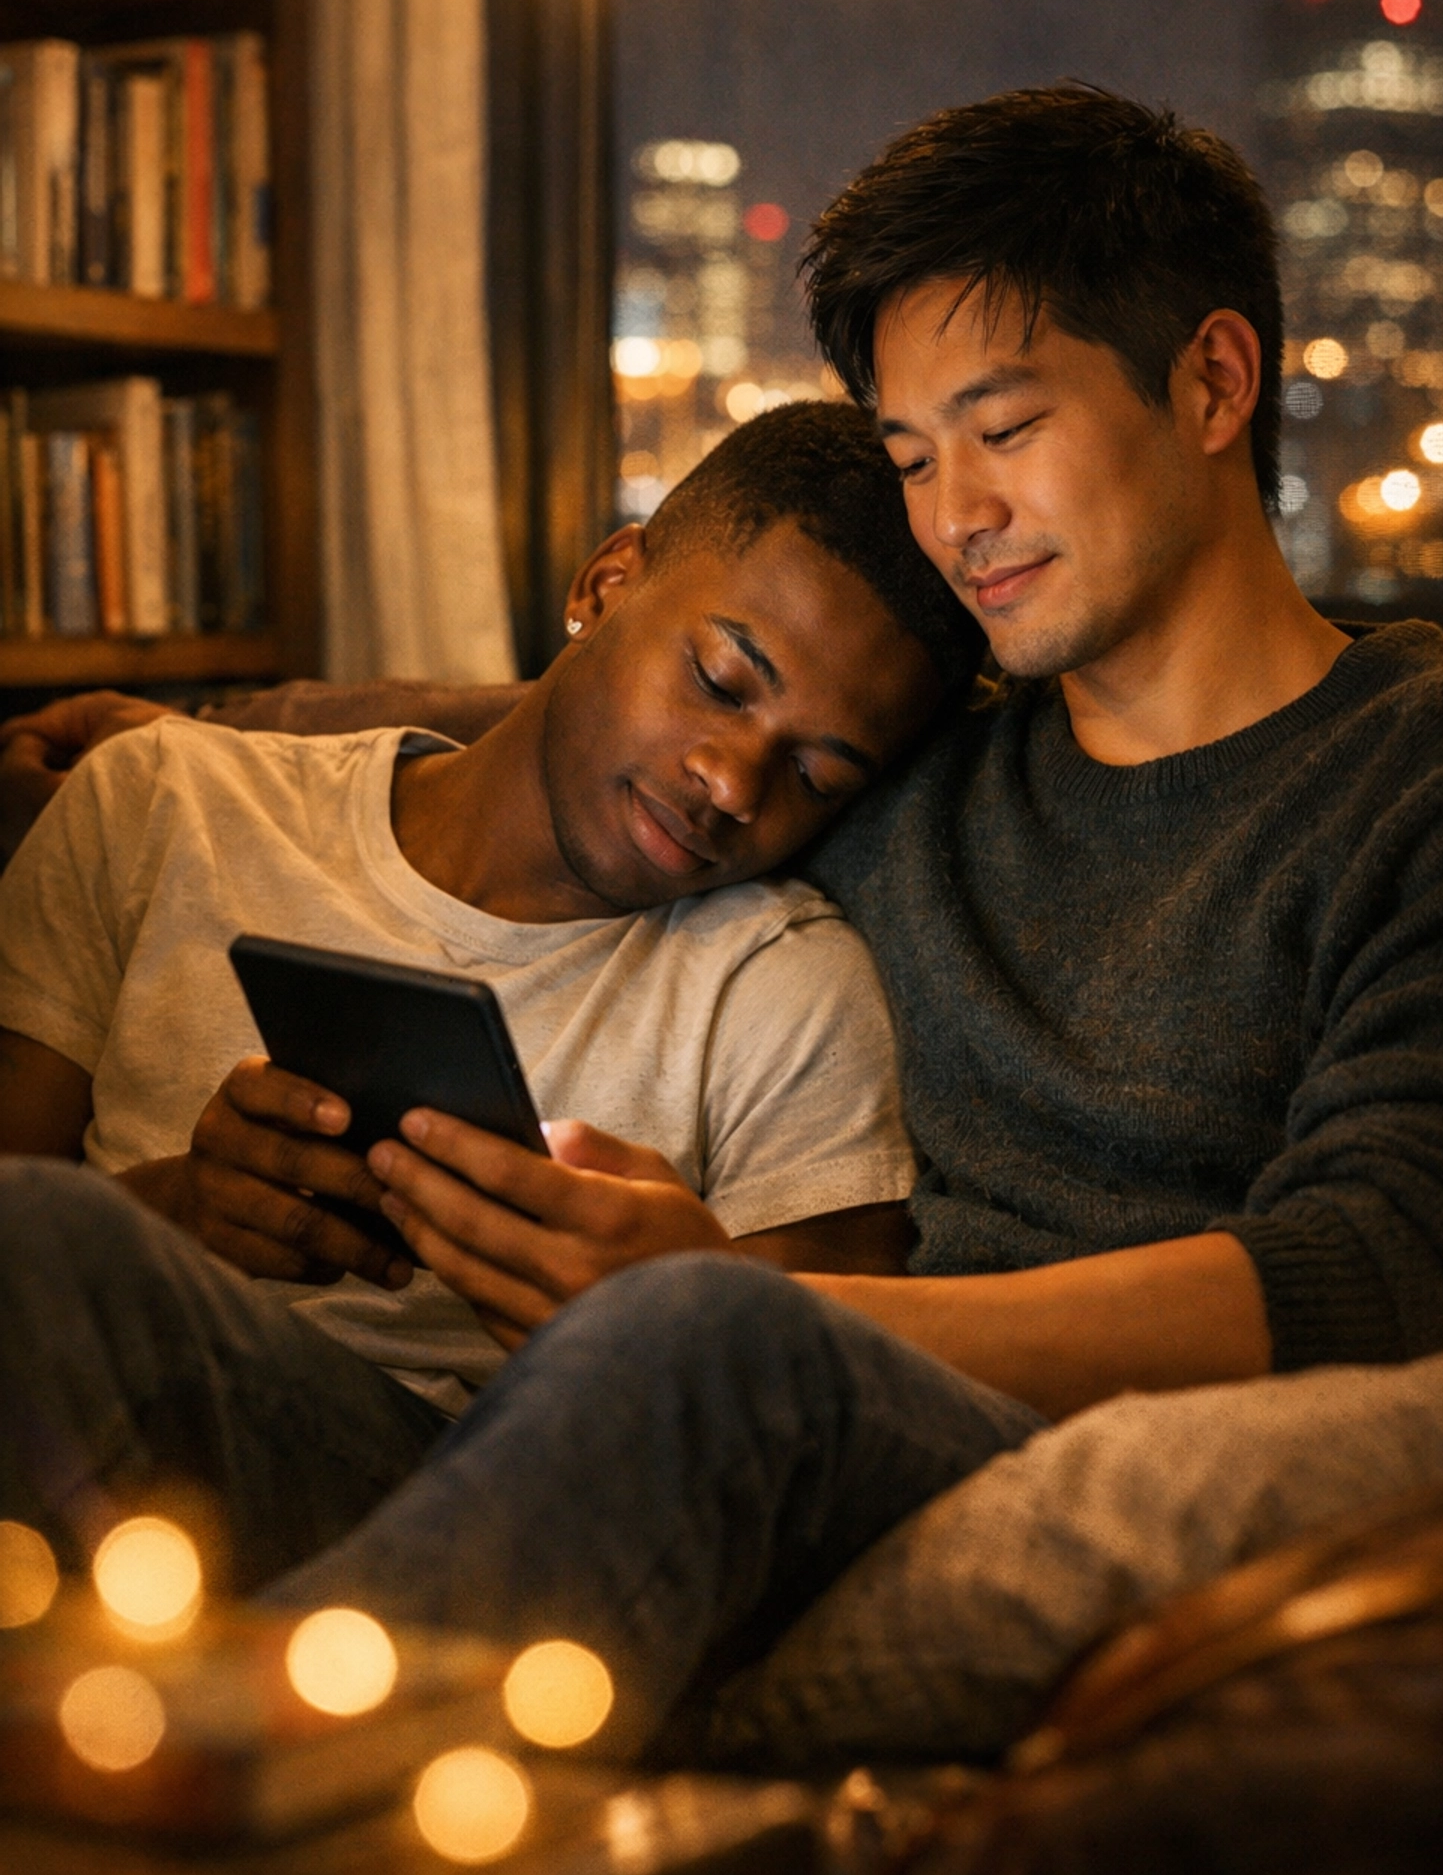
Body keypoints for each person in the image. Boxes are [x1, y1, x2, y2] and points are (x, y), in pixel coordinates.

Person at [2, 86, 1443, 1763]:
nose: (955, 515)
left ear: (1213, 382)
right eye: (911, 453)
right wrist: (210, 738)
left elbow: (1397, 1263)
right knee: (51, 1241)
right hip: (717, 1446)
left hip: (983, 1439)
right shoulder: (915, 766)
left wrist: (768, 1308)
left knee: (694, 1329)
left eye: (1003, 429)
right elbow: (634, 725)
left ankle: (217, 1793)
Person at [0, 402, 979, 1431]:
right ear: (606, 585)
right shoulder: (160, 800)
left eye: (818, 775)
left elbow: (822, 1424)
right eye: (720, 681)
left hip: (447, 1495)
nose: (735, 784)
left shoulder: (781, 991)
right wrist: (180, 1211)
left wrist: (649, 1318)